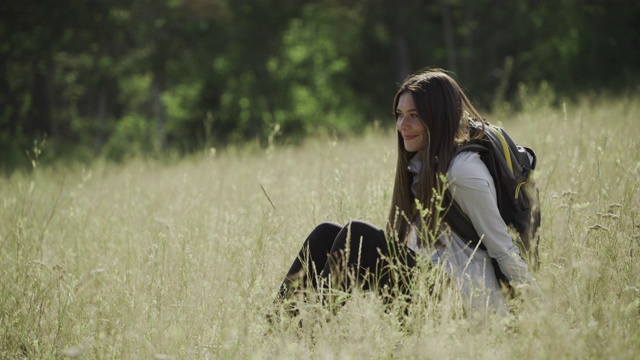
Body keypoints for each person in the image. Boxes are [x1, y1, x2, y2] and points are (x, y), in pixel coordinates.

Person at [275, 68, 541, 317]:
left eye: (414, 115)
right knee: (326, 233)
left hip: (467, 303)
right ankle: (277, 332)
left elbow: (503, 248)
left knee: (356, 235)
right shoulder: (422, 165)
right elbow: (416, 247)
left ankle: (308, 332)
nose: (403, 125)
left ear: (438, 117)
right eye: (400, 115)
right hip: (433, 284)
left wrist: (541, 313)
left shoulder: (463, 172)